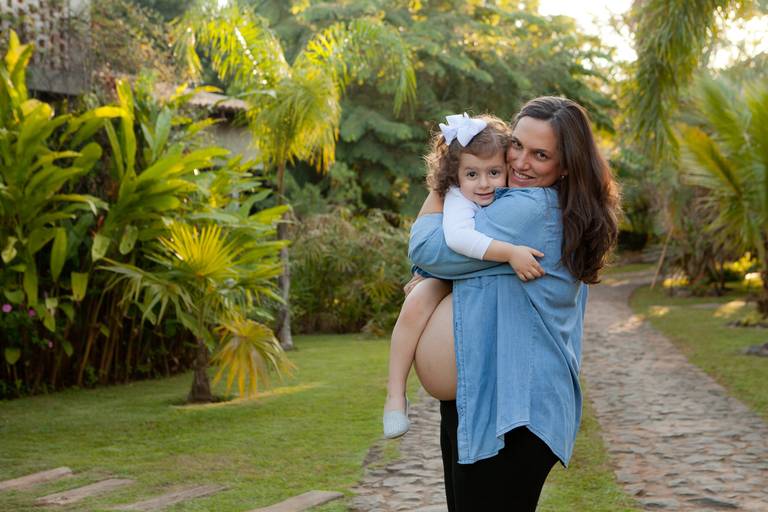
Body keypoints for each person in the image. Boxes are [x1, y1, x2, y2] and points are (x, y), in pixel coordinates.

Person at [407, 96, 620, 511]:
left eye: (540, 155)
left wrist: (451, 176)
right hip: (486, 397)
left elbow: (426, 248)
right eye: (517, 145)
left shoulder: (531, 208)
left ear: (565, 167)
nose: (521, 162)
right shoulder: (540, 204)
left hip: (513, 410)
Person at [383, 113, 546, 439]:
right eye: (472, 174)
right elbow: (458, 240)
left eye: (494, 172)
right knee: (415, 303)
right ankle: (394, 396)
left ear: (506, 169)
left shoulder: (513, 195)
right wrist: (510, 254)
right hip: (441, 271)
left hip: (462, 271)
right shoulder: (458, 197)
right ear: (456, 176)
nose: (484, 183)